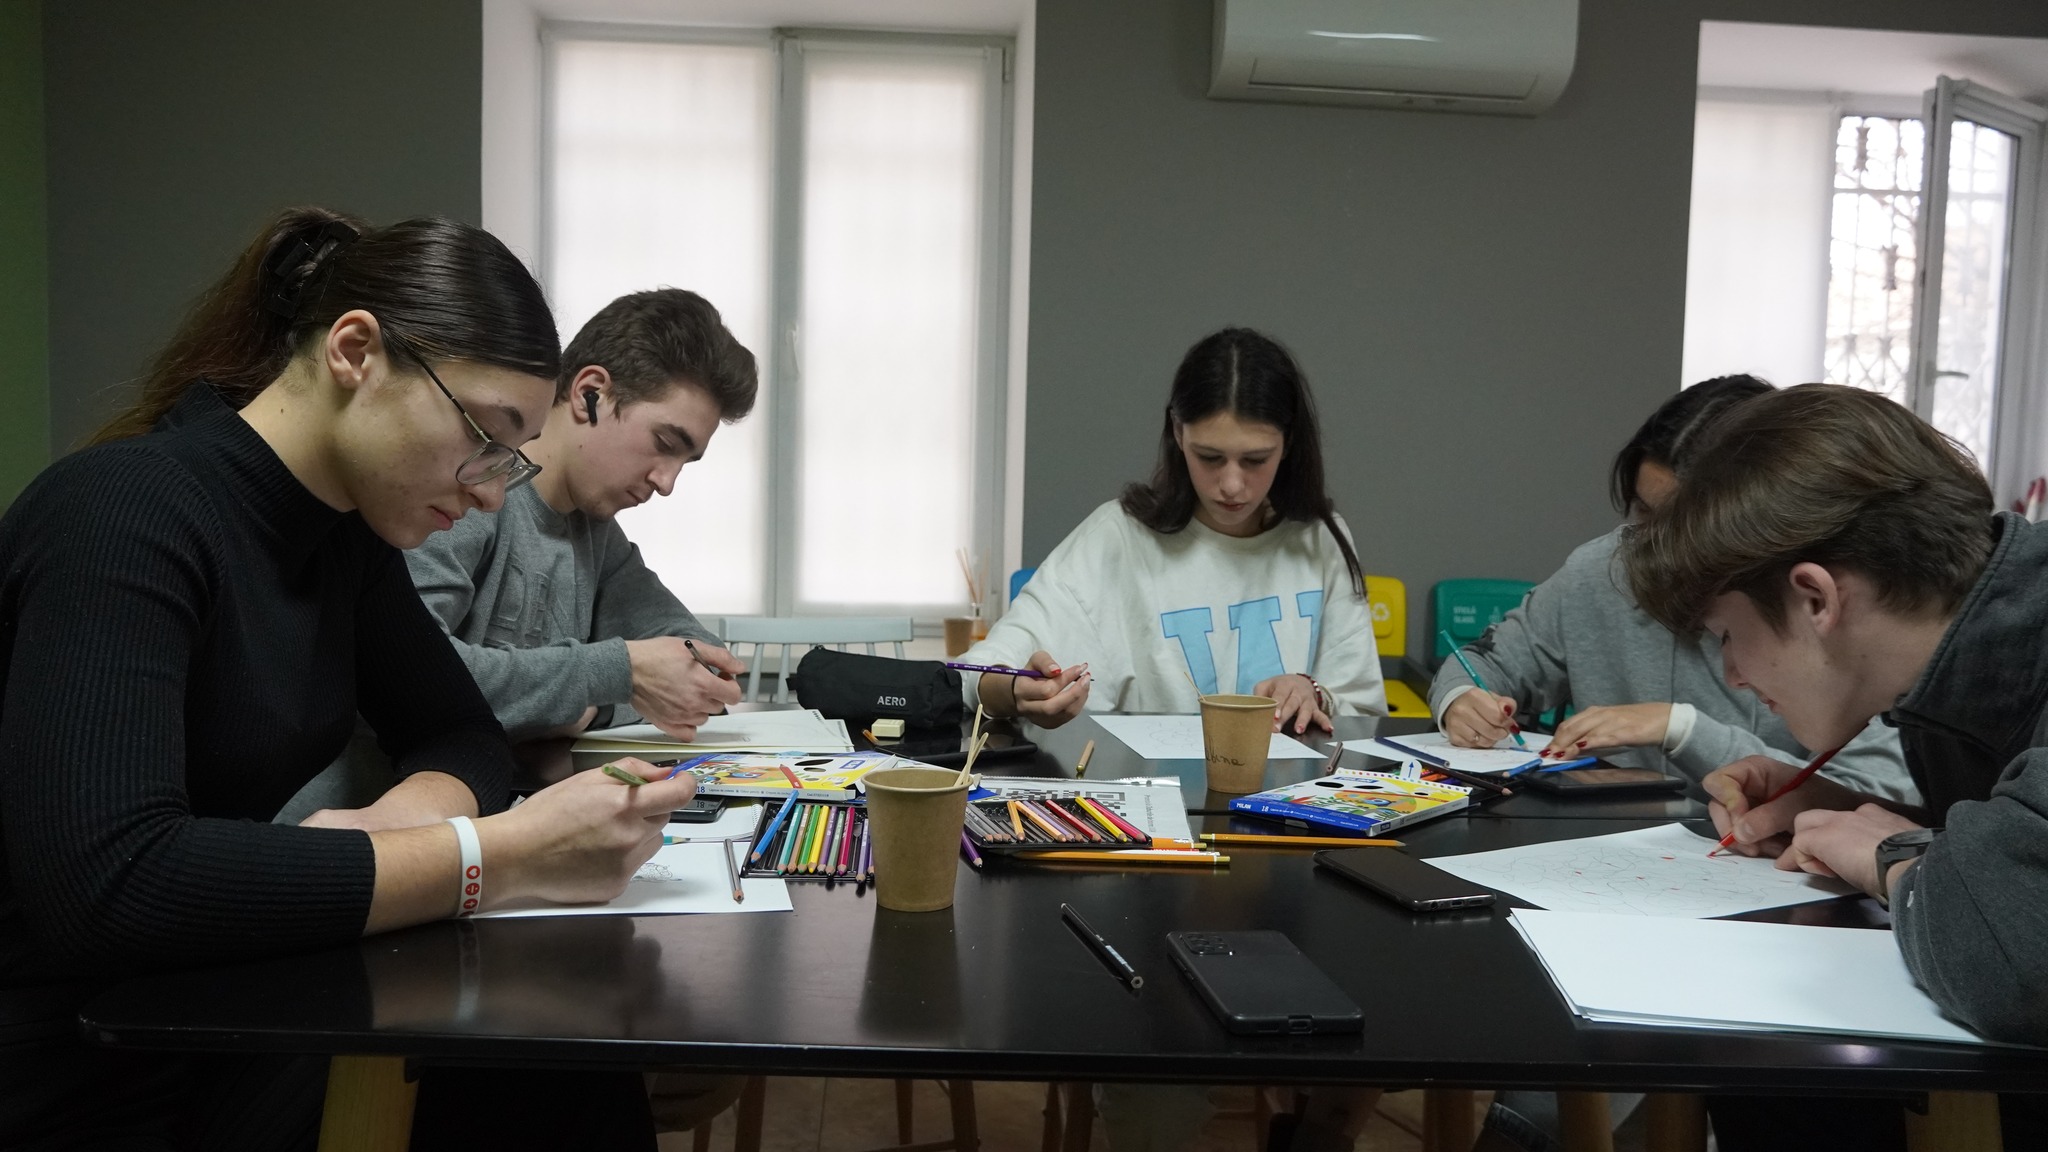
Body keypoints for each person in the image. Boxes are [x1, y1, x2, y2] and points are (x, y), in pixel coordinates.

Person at [0, 207, 694, 1151]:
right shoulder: (122, 512)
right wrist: (495, 856)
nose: (493, 491)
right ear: (355, 352)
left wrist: (390, 827)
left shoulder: (344, 541)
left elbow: (461, 733)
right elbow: (109, 886)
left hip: (210, 991)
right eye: (486, 437)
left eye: (513, 458)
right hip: (76, 1057)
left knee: (561, 1055)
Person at [1623, 383, 2046, 1148]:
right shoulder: (1960, 667)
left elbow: (2021, 962)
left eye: (1727, 635)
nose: (1735, 674)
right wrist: (1854, 815)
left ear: (1815, 599)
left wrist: (1893, 853)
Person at [1432, 376, 1914, 799]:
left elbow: (1875, 795)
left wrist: (1682, 729)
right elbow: (1486, 663)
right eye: (1644, 514)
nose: (1655, 550)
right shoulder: (1606, 569)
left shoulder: (1834, 610)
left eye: (1681, 527)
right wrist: (1462, 701)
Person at [959, 327, 1386, 736]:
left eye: (1255, 460)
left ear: (1288, 443)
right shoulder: (1117, 541)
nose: (1232, 485)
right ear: (1178, 433)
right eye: (1210, 457)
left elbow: (1364, 711)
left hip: (1294, 787)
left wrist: (1315, 694)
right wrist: (1013, 692)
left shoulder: (1320, 540)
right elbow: (977, 673)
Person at [406, 288, 757, 745]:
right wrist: (612, 676)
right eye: (665, 444)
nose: (667, 482)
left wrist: (590, 706)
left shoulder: (597, 533)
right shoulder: (462, 496)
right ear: (591, 393)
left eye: (685, 462)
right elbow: (409, 674)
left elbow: (703, 664)